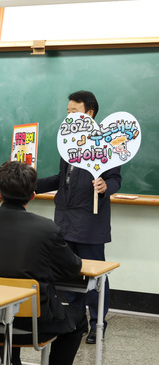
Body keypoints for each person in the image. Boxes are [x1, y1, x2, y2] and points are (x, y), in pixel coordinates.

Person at [0, 161, 87, 365]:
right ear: (33, 195)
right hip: (35, 326)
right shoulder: (46, 228)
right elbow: (73, 267)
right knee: (78, 317)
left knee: (4, 301)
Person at [36, 90, 121, 344]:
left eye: (74, 111)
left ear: (90, 113)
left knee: (95, 274)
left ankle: (98, 323)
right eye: (68, 111)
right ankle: (75, 319)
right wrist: (31, 185)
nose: (68, 115)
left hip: (90, 220)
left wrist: (106, 187)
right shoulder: (68, 143)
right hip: (64, 219)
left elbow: (115, 179)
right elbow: (62, 179)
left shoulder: (107, 143)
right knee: (68, 272)